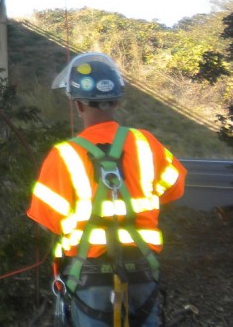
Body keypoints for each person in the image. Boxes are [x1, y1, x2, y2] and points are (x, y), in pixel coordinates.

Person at [28, 53, 186, 326]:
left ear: (78, 104)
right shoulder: (146, 143)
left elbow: (47, 221)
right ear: (117, 101)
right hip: (142, 269)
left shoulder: (64, 155)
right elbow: (173, 188)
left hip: (91, 275)